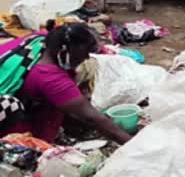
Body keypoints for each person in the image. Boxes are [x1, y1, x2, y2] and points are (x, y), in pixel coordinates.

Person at [0, 23, 132, 144]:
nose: (85, 58)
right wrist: (132, 144)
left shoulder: (39, 40)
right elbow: (91, 117)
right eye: (81, 55)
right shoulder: (49, 77)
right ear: (63, 51)